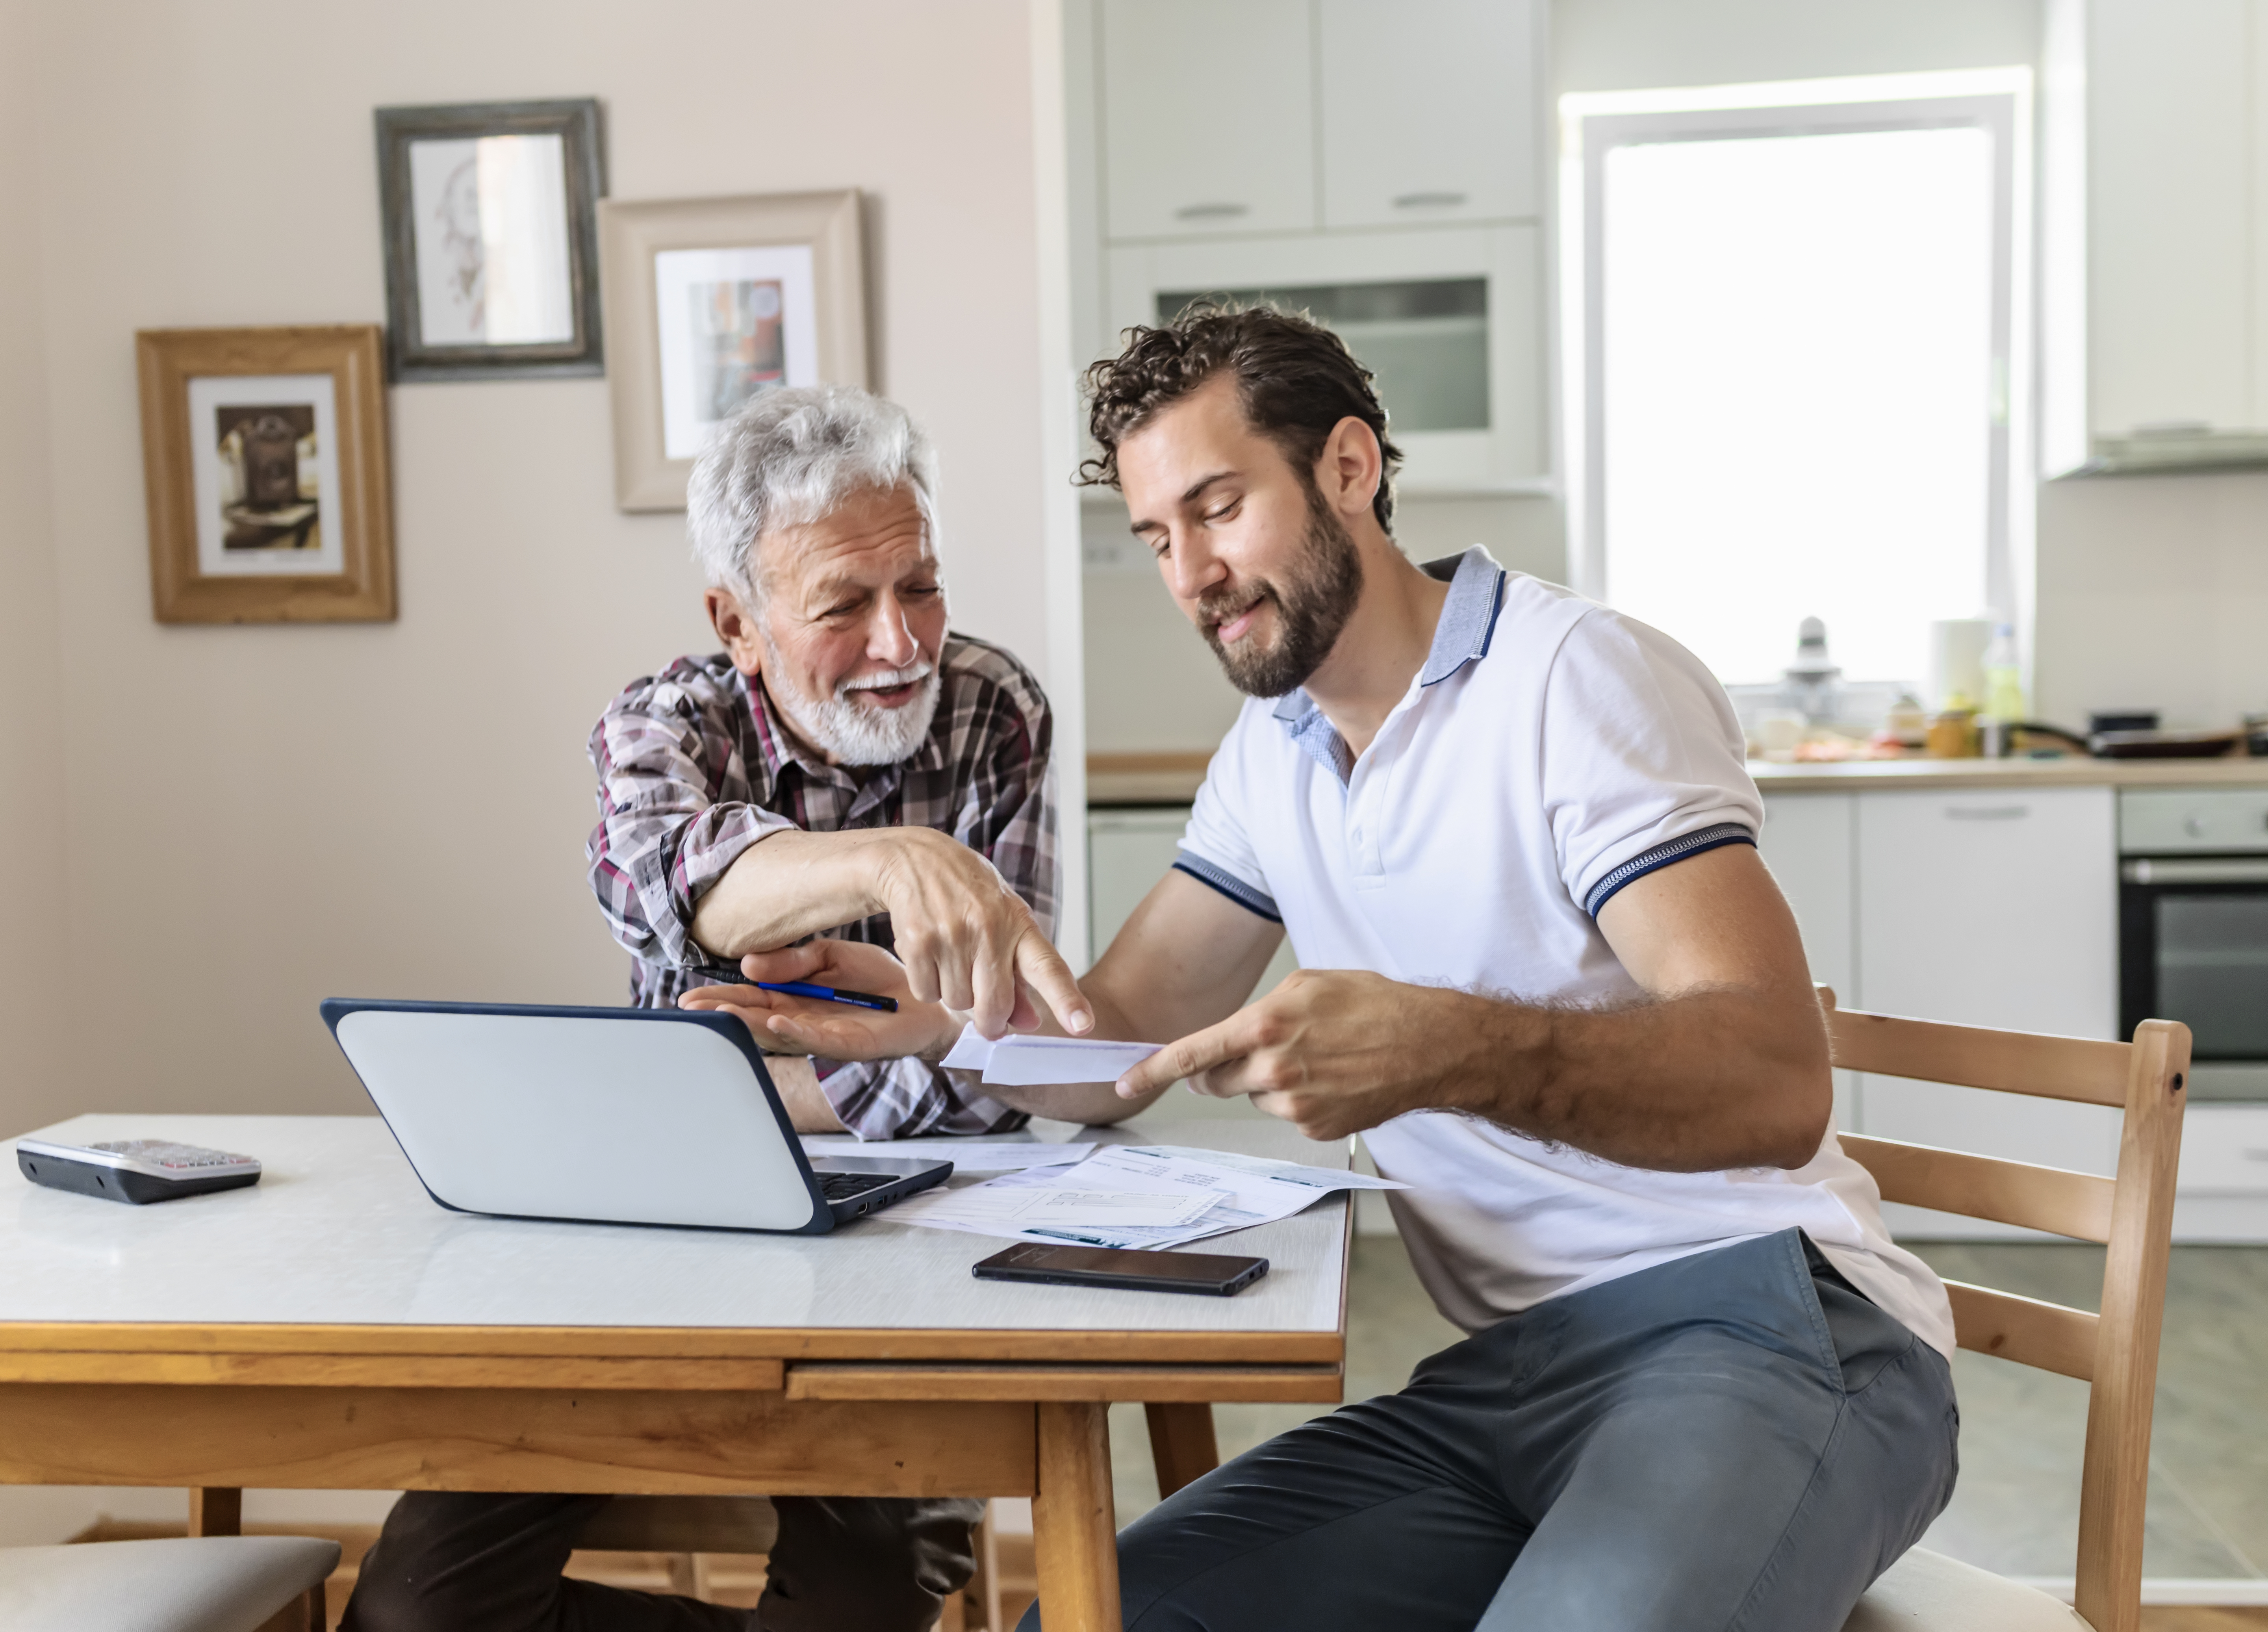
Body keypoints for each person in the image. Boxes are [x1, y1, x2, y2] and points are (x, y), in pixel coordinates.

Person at [744, 308, 1962, 1631]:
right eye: (1159, 536)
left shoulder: (1576, 681)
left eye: (1219, 507)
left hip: (1768, 1327)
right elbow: (1122, 1042)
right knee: (1091, 1621)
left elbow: (1775, 1082)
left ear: (1346, 467)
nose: (1193, 572)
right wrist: (942, 1029)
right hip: (1505, 1380)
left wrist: (1440, 1047)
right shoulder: (1274, 754)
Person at [342, 386, 1110, 1632]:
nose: (903, 642)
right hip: (667, 1237)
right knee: (412, 1612)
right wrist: (900, 869)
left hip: (919, 1248)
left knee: (860, 1602)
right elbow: (689, 893)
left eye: (919, 586)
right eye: (844, 606)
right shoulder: (661, 726)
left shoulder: (995, 710)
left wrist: (783, 1076)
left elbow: (1001, 1054)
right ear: (737, 623)